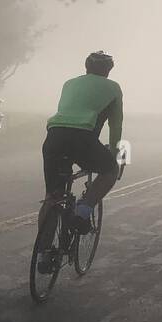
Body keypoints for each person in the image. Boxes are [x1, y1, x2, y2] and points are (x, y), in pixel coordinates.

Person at [39, 51, 124, 236]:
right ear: (109, 70)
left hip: (54, 136)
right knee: (110, 171)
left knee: (52, 197)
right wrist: (115, 153)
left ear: (86, 67)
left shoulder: (69, 83)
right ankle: (82, 211)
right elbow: (115, 126)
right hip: (82, 138)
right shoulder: (113, 88)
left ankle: (44, 255)